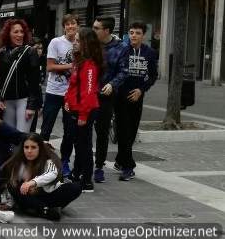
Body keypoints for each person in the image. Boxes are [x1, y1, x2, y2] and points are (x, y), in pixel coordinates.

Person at [113, 22, 158, 182]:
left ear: (143, 35)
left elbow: (153, 75)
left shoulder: (150, 53)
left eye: (137, 33)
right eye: (131, 32)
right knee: (123, 131)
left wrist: (141, 90)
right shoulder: (122, 50)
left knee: (131, 132)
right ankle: (128, 167)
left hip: (137, 97)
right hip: (120, 97)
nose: (133, 35)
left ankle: (120, 159)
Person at [2, 133, 82, 221]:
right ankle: (45, 210)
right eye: (26, 147)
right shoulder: (18, 161)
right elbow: (11, 183)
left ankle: (40, 209)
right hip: (29, 198)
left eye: (33, 147)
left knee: (76, 187)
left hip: (48, 194)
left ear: (40, 148)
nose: (29, 151)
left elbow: (52, 173)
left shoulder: (48, 158)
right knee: (13, 187)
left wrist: (32, 182)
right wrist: (9, 203)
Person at [61, 27, 102, 192]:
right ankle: (76, 174)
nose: (74, 43)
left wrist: (83, 114)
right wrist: (66, 101)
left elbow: (89, 92)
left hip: (84, 112)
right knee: (78, 144)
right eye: (74, 40)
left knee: (84, 146)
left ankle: (87, 181)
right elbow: (72, 86)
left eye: (78, 40)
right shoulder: (79, 61)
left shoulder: (90, 65)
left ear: (86, 43)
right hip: (75, 110)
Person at [41, 14, 79, 166]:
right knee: (46, 128)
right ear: (64, 26)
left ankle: (64, 162)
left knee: (69, 130)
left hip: (72, 94)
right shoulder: (56, 42)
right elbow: (50, 67)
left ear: (77, 25)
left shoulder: (80, 43)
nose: (70, 26)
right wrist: (71, 66)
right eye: (67, 24)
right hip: (54, 91)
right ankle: (41, 159)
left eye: (73, 23)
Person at [92, 16, 125, 183]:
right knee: (81, 130)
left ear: (106, 30)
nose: (94, 30)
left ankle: (99, 166)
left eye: (97, 28)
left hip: (105, 95)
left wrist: (113, 84)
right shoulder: (90, 44)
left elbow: (123, 71)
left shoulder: (120, 48)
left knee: (102, 131)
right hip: (88, 93)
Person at [0, 19, 42, 132]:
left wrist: (31, 106)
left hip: (24, 100)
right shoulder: (1, 53)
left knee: (21, 137)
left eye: (21, 31)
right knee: (9, 138)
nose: (19, 35)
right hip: (7, 101)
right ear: (8, 34)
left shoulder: (30, 52)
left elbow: (35, 83)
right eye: (15, 32)